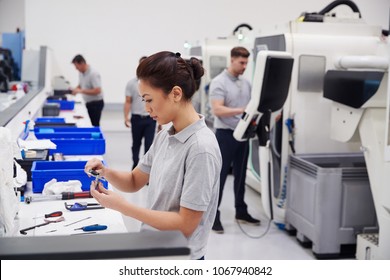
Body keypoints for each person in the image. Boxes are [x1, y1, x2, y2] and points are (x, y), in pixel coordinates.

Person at [85, 51, 222, 260]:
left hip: (181, 258)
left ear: (176, 94)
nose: (146, 109)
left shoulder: (201, 149)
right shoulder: (165, 136)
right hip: (154, 248)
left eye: (149, 100)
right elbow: (133, 181)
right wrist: (104, 172)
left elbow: (185, 225)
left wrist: (123, 207)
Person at [209, 46, 260, 234]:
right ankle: (213, 215)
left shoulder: (245, 83)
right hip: (225, 136)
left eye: (247, 63)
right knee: (220, 177)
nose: (244, 66)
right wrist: (242, 110)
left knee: (240, 175)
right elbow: (217, 110)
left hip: (243, 134)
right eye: (241, 62)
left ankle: (241, 211)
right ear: (232, 60)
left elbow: (253, 105)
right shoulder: (219, 82)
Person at [124, 56, 157, 169]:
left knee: (149, 145)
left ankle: (146, 170)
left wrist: (160, 121)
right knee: (136, 144)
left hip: (150, 119)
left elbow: (158, 102)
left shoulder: (154, 84)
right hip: (136, 118)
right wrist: (126, 117)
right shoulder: (131, 83)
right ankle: (135, 165)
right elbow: (128, 101)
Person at [71, 54, 104, 127]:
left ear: (82, 63)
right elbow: (81, 84)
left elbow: (98, 90)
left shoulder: (94, 74)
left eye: (77, 66)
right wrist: (74, 90)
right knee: (89, 123)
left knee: (94, 124)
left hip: (96, 104)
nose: (76, 69)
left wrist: (80, 91)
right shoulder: (81, 73)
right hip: (88, 103)